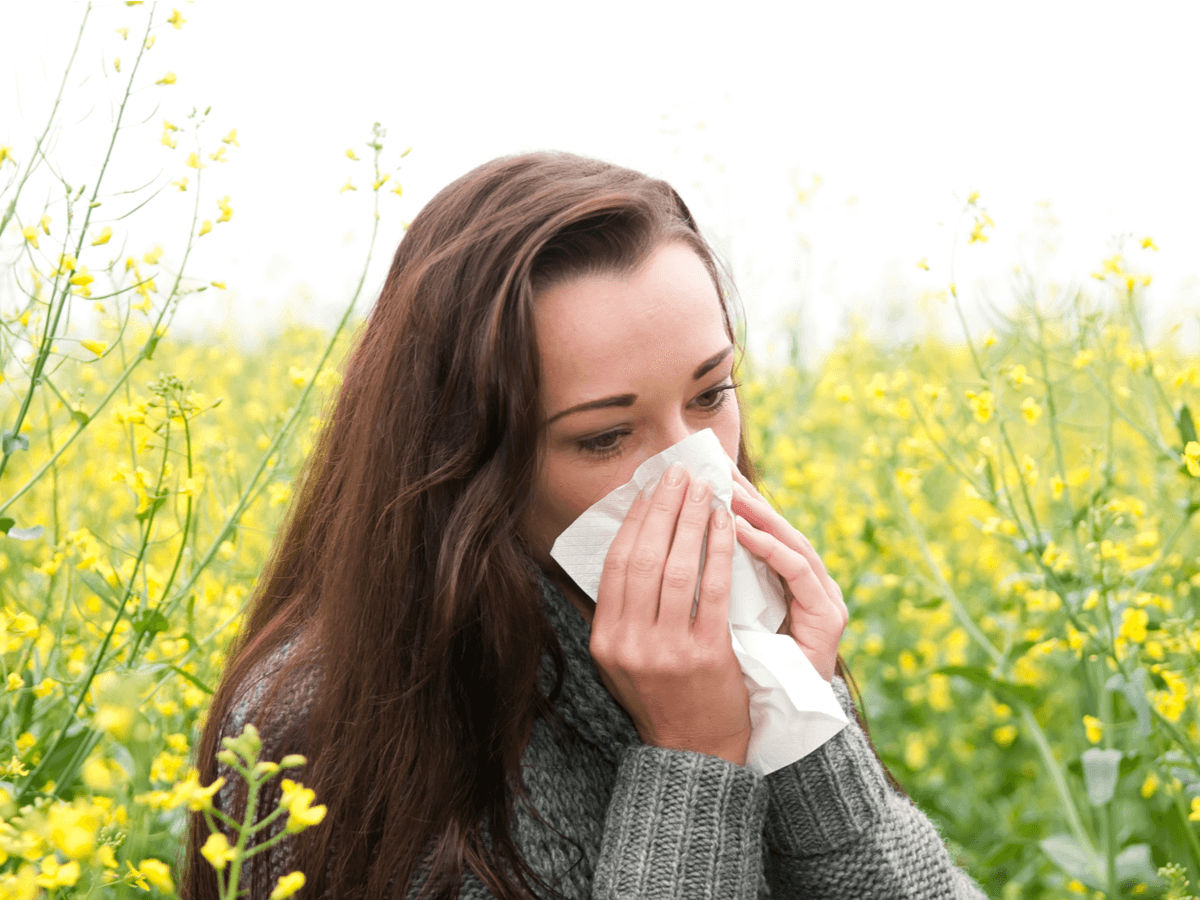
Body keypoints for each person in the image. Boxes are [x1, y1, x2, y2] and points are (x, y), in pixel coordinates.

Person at [183, 151, 988, 900]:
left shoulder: (742, 642)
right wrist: (692, 762)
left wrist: (797, 727)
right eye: (604, 437)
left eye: (711, 395)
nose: (695, 471)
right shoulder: (319, 732)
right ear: (469, 461)